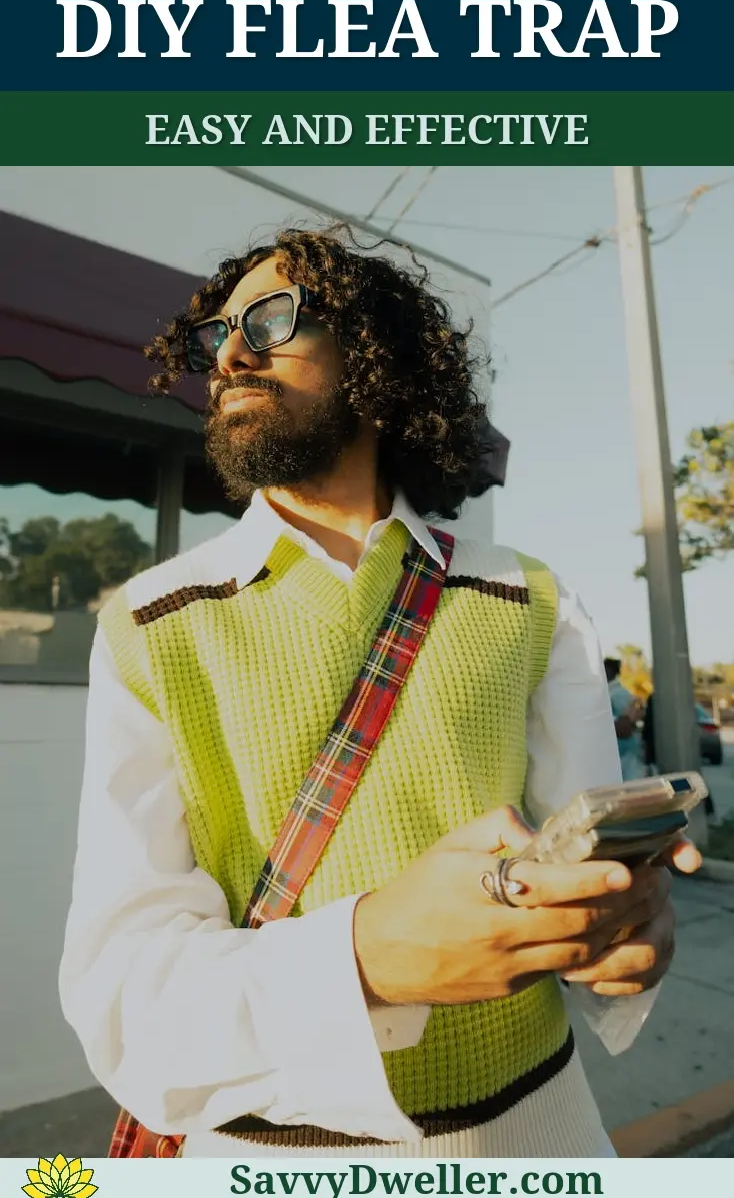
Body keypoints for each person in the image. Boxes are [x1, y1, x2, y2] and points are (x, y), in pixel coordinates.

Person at [60, 229, 699, 1161]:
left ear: (373, 355)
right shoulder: (149, 625)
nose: (230, 353)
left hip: (542, 1135)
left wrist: (622, 930)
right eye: (215, 336)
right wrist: (359, 958)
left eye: (271, 320)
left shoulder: (532, 600)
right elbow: (122, 989)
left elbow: (582, 870)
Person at [604, 657, 646, 781]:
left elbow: (626, 725)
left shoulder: (618, 694)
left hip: (626, 754)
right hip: (619, 754)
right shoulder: (610, 692)